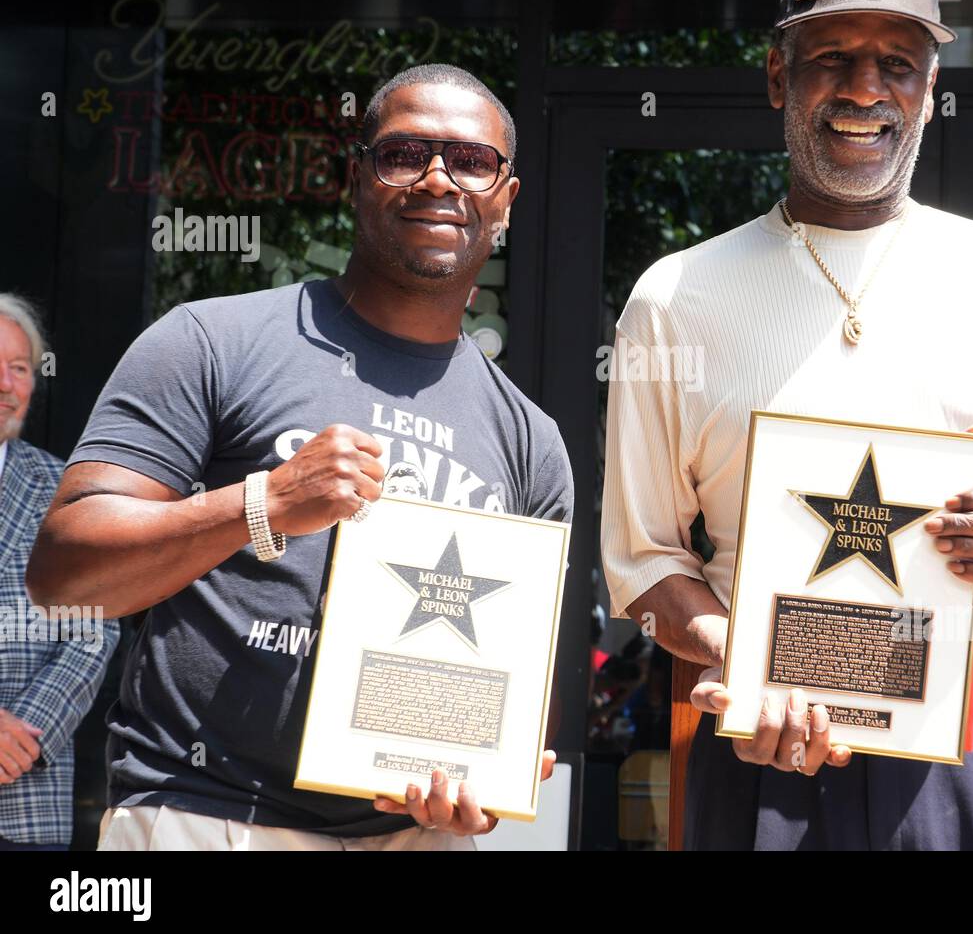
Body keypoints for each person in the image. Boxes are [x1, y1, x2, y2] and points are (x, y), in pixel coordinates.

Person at [600, 0, 973, 850]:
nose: (865, 89)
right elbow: (647, 564)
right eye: (833, 59)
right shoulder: (676, 297)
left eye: (897, 62)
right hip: (765, 746)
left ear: (930, 90)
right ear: (780, 78)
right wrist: (748, 662)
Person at [28, 64, 573, 851]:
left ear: (506, 200)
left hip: (414, 837)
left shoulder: (531, 439)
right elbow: (62, 574)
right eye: (404, 153)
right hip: (205, 813)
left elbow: (522, 693)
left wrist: (480, 784)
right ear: (357, 176)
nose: (436, 179)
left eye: (471, 161)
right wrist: (266, 503)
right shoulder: (213, 342)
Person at [0, 293, 120, 850]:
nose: (6, 384)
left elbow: (94, 627)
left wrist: (20, 734)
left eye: (19, 369)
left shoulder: (62, 490)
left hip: (23, 788)